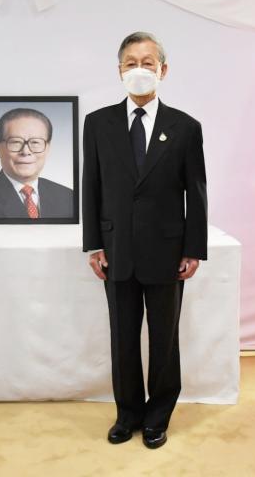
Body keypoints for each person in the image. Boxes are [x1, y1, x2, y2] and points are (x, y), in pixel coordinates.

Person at [82, 31, 207, 449]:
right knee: (122, 337)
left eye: (147, 63)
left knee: (164, 339)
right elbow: (92, 186)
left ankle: (158, 417)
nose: (139, 70)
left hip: (167, 251)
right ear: (119, 70)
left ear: (163, 70)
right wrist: (94, 244)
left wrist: (193, 249)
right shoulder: (98, 124)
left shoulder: (185, 128)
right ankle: (128, 414)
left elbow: (196, 193)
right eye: (131, 63)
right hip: (116, 250)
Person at [0, 108, 73, 219]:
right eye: (16, 142)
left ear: (48, 148)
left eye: (35, 142)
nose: (25, 151)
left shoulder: (68, 197)